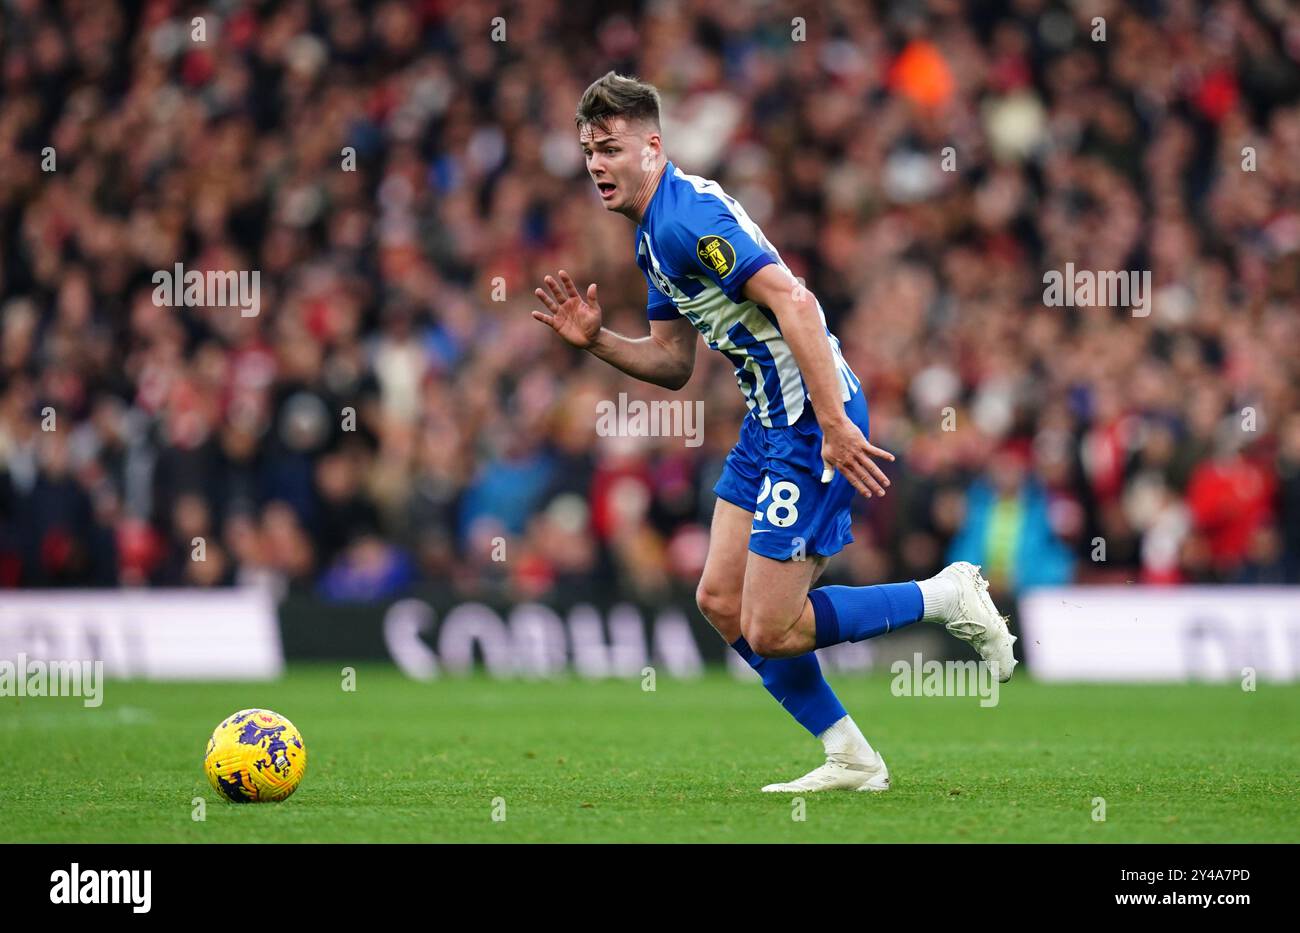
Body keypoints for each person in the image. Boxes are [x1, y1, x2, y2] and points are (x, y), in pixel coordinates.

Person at [532, 72, 1016, 792]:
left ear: (653, 145)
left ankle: (944, 596)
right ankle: (852, 756)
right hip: (769, 422)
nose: (596, 164)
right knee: (719, 601)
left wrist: (832, 423)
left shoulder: (684, 221)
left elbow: (795, 299)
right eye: (587, 151)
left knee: (771, 625)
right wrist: (598, 340)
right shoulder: (652, 240)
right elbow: (671, 364)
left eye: (609, 147)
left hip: (807, 420)